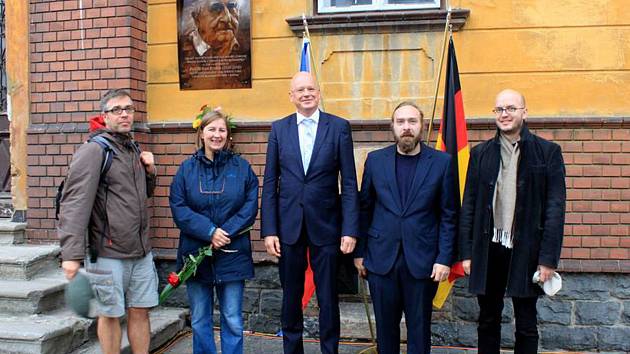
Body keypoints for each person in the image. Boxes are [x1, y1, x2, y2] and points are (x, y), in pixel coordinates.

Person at [459, 89, 566, 353]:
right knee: (487, 320)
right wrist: (466, 253)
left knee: (526, 323)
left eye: (510, 108)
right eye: (499, 109)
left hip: (527, 249)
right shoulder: (480, 153)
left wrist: (548, 259)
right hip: (489, 247)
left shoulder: (548, 152)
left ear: (524, 112)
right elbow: (469, 206)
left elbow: (555, 209)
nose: (504, 114)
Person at [261, 72, 360, 354]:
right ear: (291, 96)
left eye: (311, 89)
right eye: (300, 90)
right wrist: (269, 230)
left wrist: (350, 229)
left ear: (319, 92)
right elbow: (270, 182)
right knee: (291, 297)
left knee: (328, 298)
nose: (306, 94)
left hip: (327, 226)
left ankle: (330, 350)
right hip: (288, 227)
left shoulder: (339, 127)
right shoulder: (279, 129)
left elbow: (350, 183)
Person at [58, 89, 158, 354]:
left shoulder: (132, 147)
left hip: (140, 251)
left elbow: (140, 195)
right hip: (107, 252)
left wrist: (150, 172)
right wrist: (71, 255)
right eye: (117, 110)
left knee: (140, 312)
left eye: (129, 109)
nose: (124, 114)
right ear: (105, 116)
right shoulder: (95, 150)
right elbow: (74, 203)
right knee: (110, 315)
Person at [353, 101, 456, 354]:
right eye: (401, 122)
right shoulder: (375, 161)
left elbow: (449, 214)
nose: (406, 127)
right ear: (393, 127)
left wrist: (444, 258)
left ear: (421, 126)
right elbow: (364, 208)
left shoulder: (442, 163)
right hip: (380, 260)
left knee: (419, 333)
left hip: (423, 262)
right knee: (385, 334)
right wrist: (359, 252)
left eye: (412, 121)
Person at [169, 109, 258, 354]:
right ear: (202, 133)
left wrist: (223, 232)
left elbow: (250, 206)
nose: (216, 135)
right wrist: (209, 231)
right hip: (195, 257)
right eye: (212, 129)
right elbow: (179, 207)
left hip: (233, 254)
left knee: (232, 318)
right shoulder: (186, 169)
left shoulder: (242, 168)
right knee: (199, 319)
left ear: (228, 136)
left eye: (221, 130)